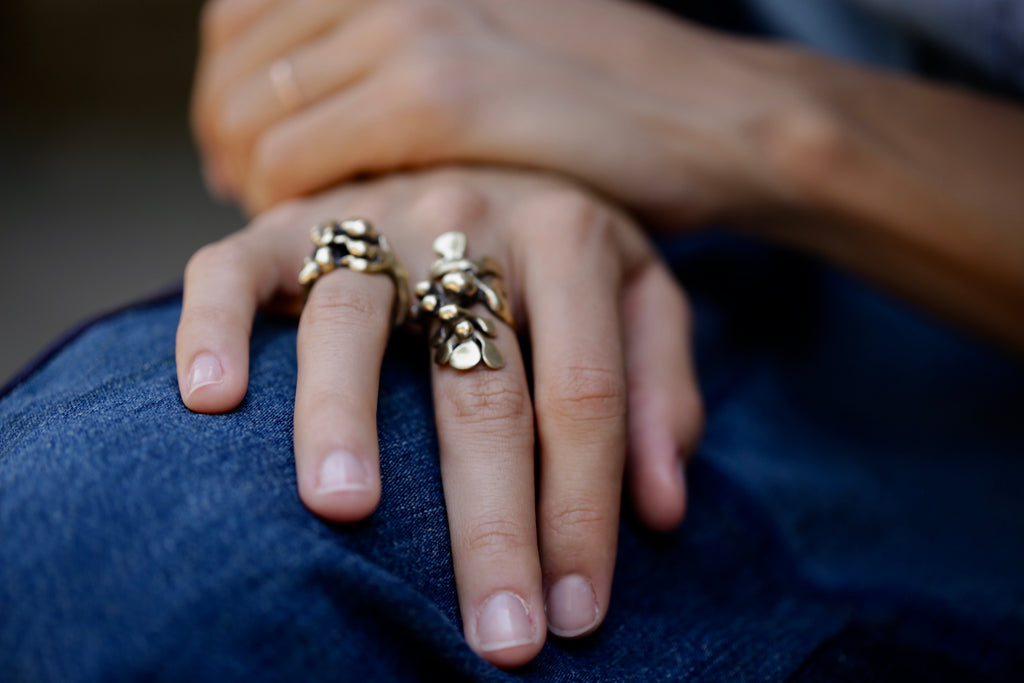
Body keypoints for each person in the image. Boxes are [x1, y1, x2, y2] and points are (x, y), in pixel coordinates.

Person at [2, 0, 1022, 679]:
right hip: (650, 192)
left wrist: (771, 126)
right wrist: (407, 103)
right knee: (88, 539)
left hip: (947, 314)